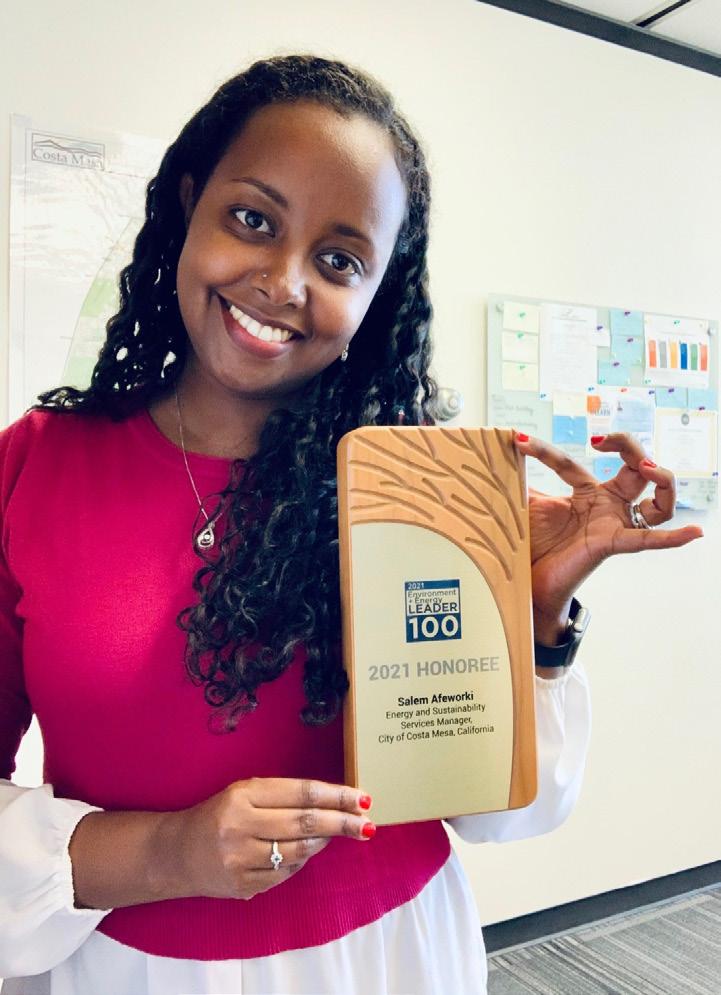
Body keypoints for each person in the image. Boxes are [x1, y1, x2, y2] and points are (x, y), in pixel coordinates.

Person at [0, 54, 702, 995]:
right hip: (126, 969)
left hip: (389, 957)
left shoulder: (419, 486)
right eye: (253, 219)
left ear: (377, 295)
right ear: (189, 203)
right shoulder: (35, 466)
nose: (283, 282)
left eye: (338, 260)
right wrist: (166, 852)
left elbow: (499, 811)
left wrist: (531, 620)